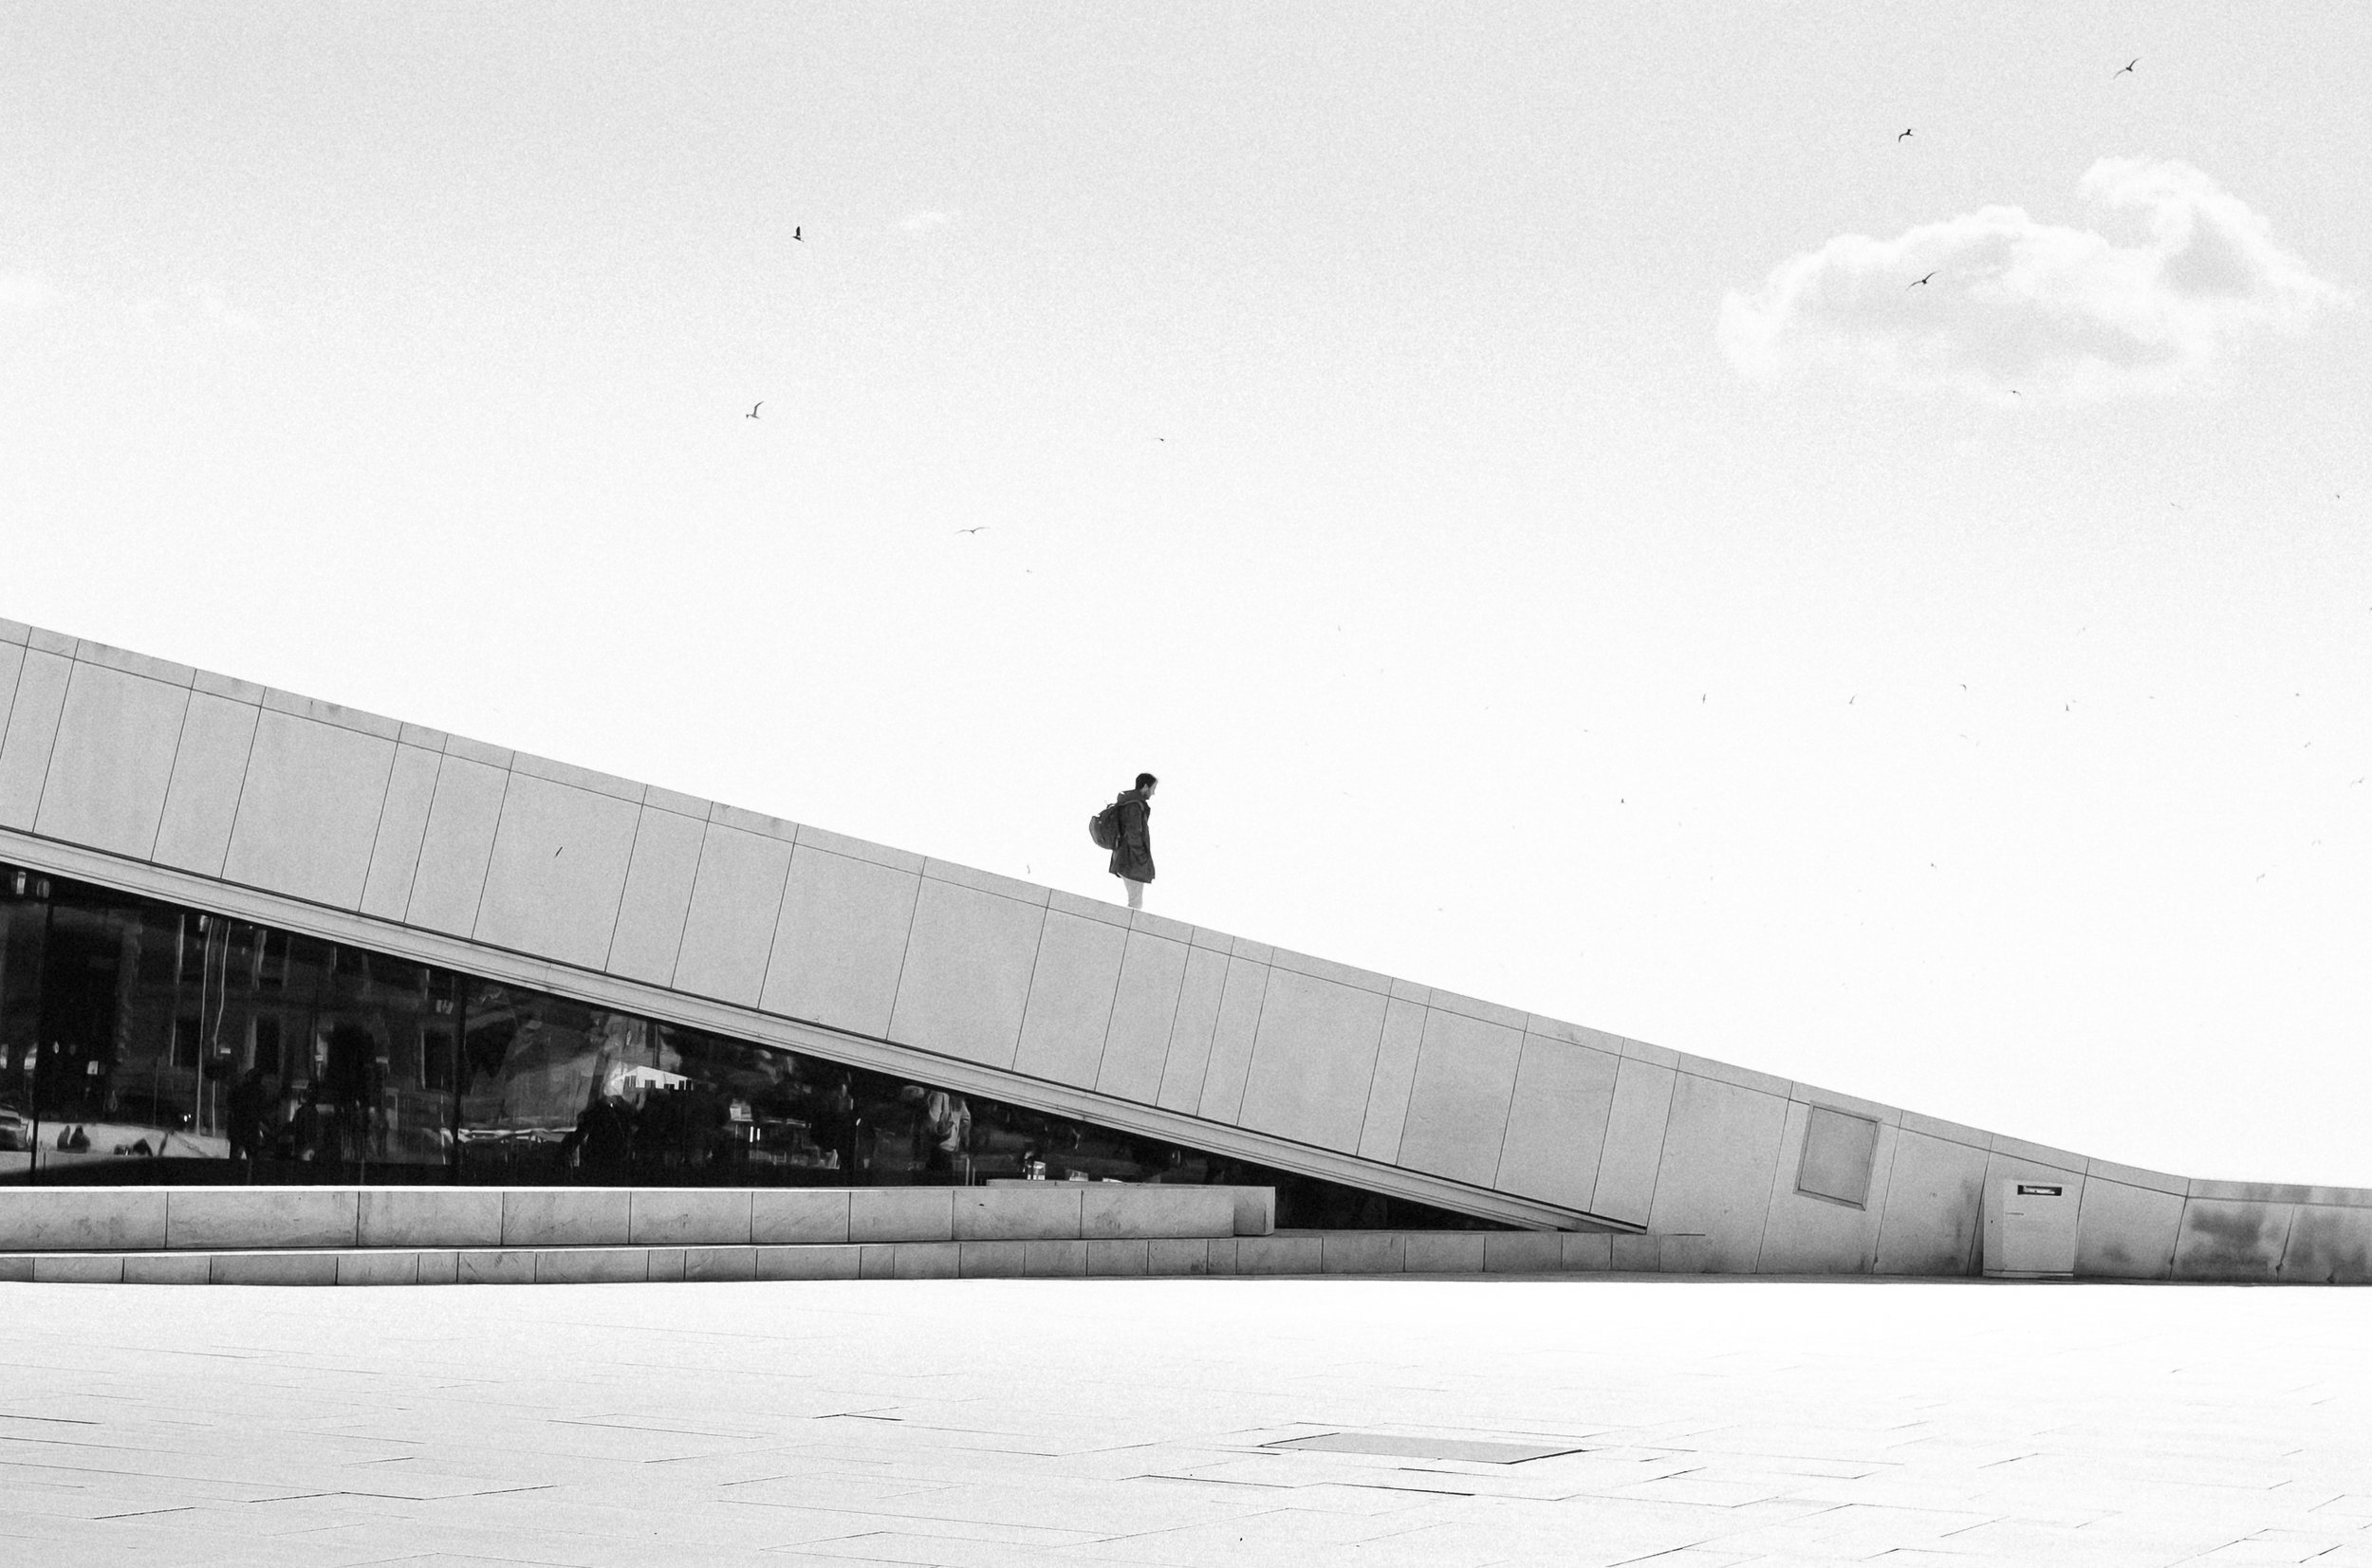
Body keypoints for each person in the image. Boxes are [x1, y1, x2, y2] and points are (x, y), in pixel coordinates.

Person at [1108, 771, 1158, 911]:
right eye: (1153, 789)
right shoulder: (1134, 806)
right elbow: (1133, 832)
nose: (1153, 793)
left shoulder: (1131, 803)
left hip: (1125, 857)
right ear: (1146, 787)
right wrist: (1141, 855)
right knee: (1135, 904)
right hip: (1130, 859)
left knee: (1135, 901)